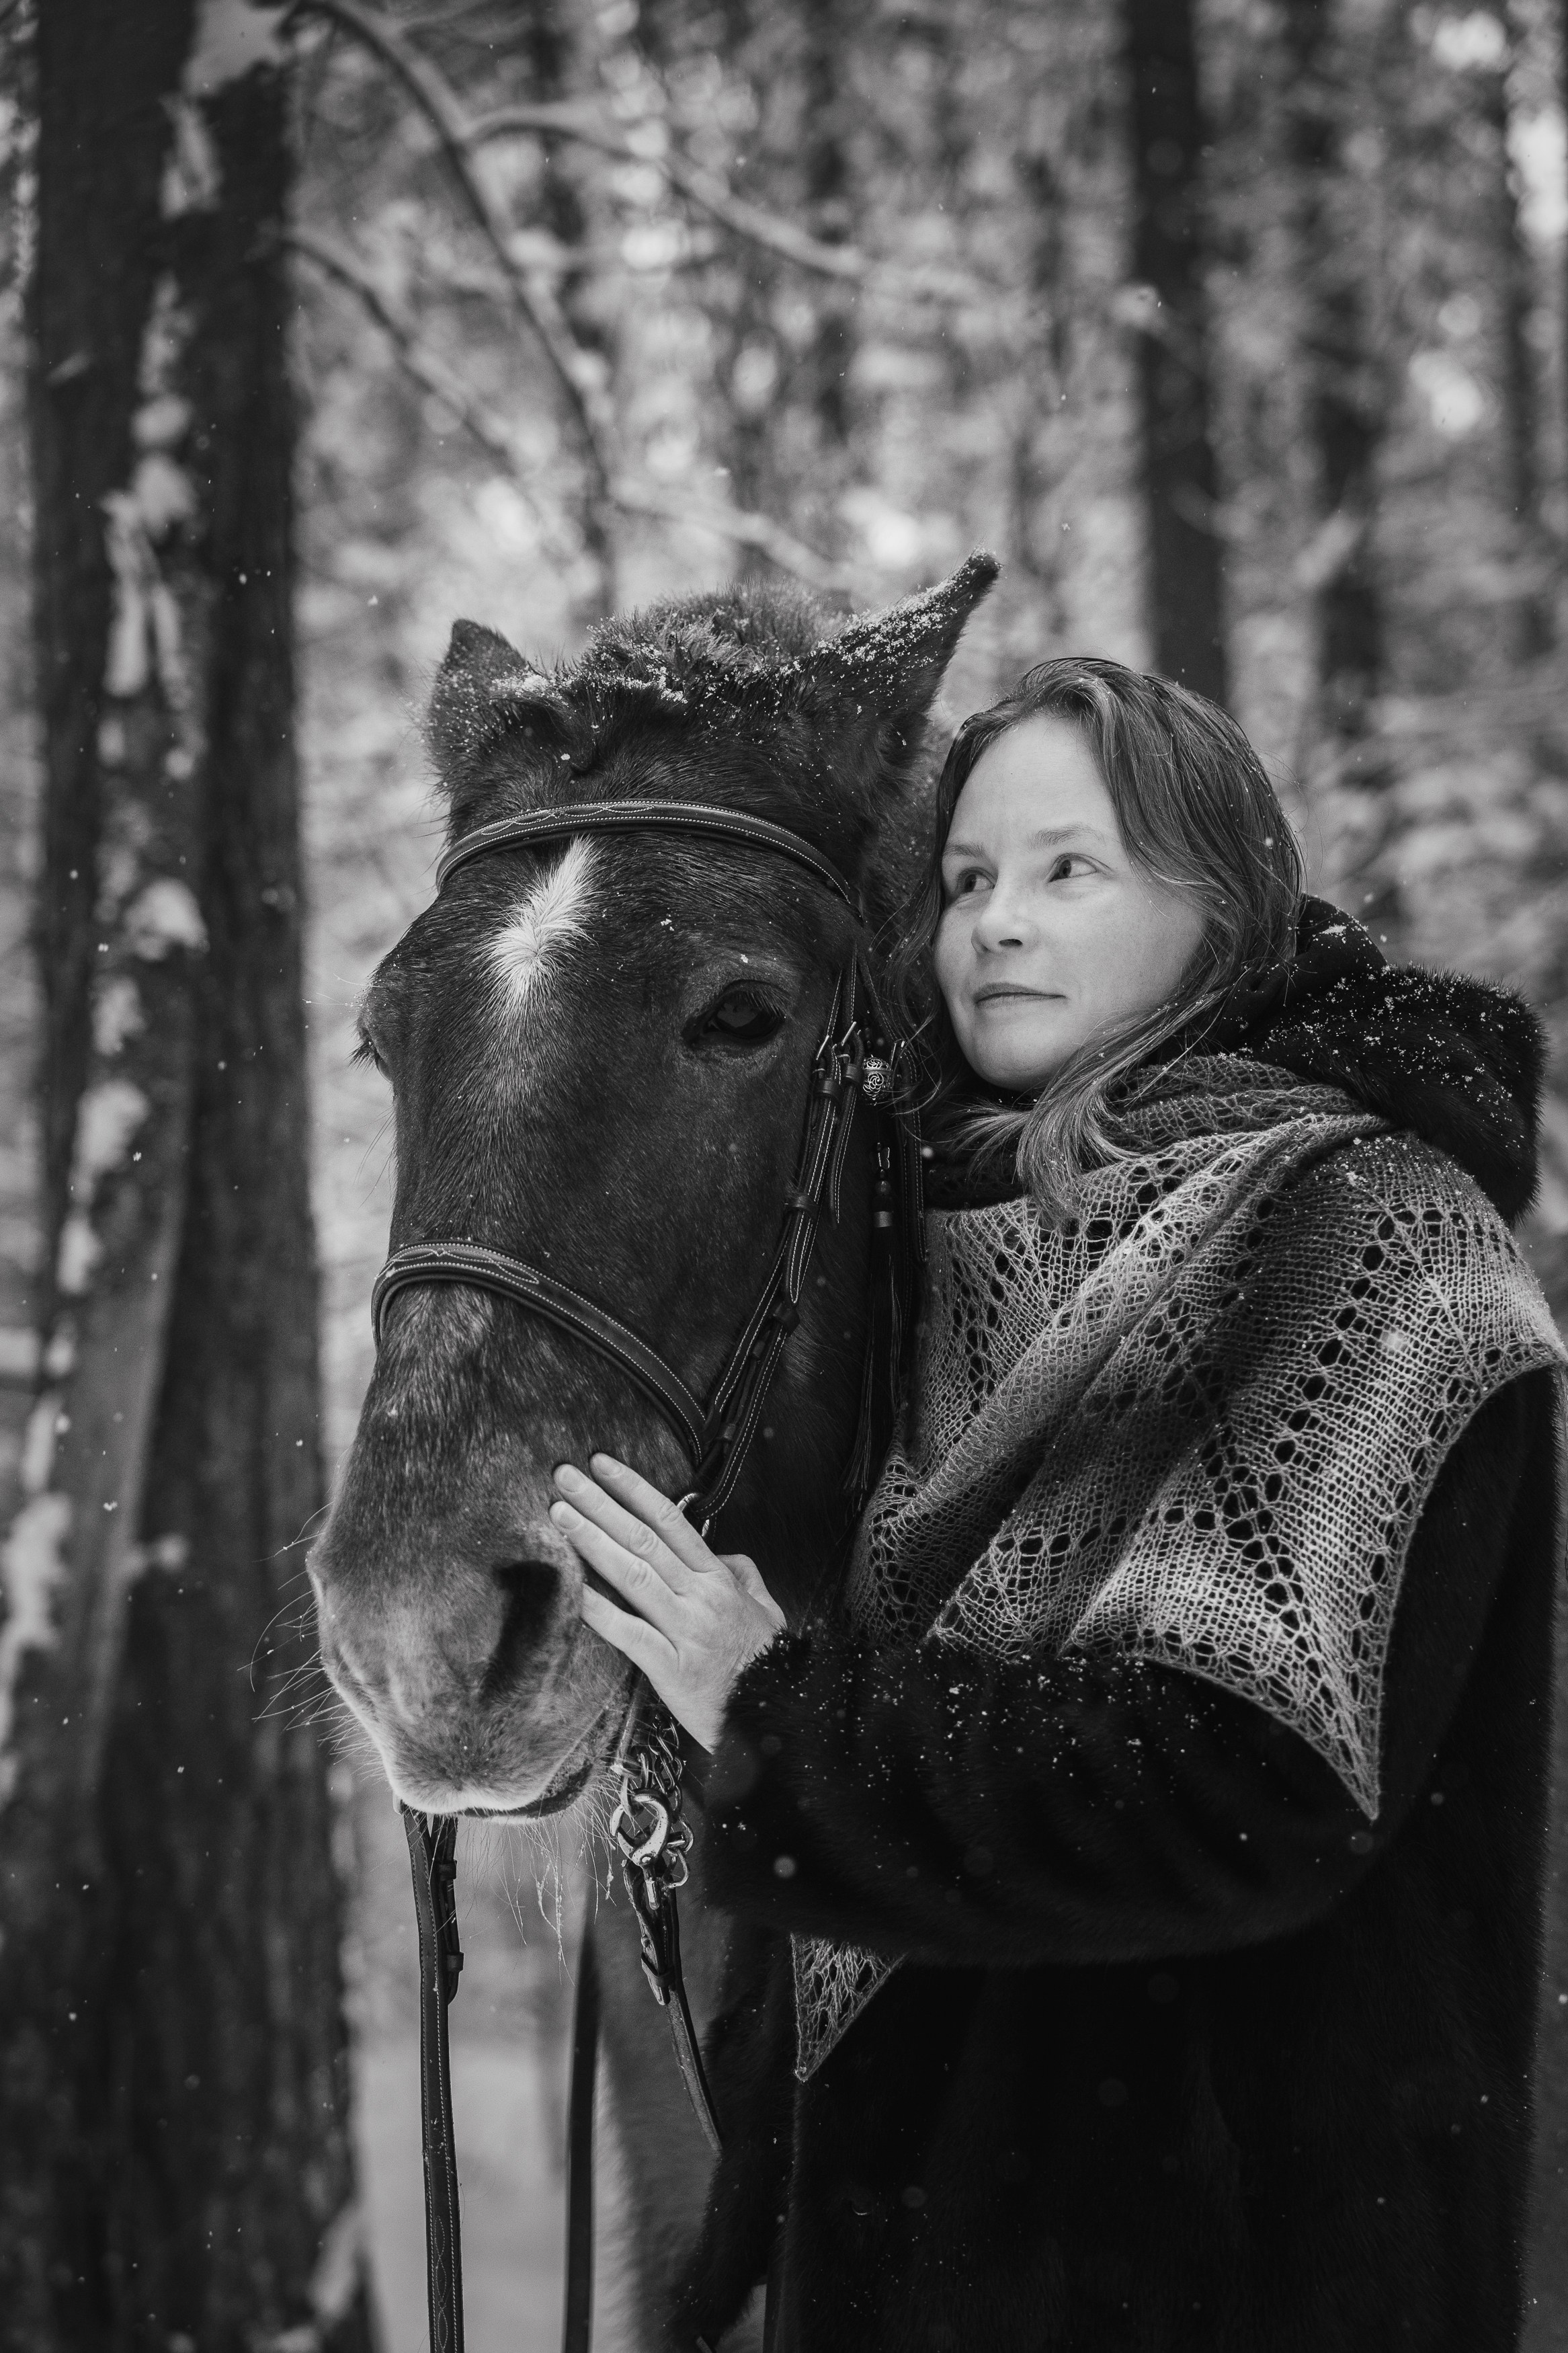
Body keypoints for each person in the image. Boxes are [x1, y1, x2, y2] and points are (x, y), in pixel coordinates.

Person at [548, 656, 1565, 2353]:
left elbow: (1243, 1781)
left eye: (1065, 870)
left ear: (1219, 904)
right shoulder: (941, 1253)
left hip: (1255, 2276)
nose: (995, 925)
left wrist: (775, 1716)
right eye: (965, 883)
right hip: (933, 2273)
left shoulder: (1384, 1246)